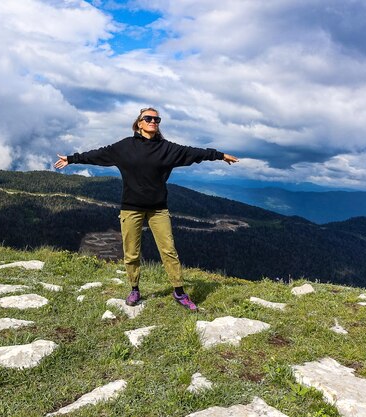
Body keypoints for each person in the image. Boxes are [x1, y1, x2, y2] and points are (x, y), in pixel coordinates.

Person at [55, 107, 238, 310]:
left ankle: (179, 292)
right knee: (131, 252)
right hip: (130, 208)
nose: (153, 121)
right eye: (148, 118)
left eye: (156, 119)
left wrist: (220, 155)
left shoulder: (167, 149)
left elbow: (194, 152)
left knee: (168, 250)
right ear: (139, 123)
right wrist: (71, 159)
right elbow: (100, 154)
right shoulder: (125, 147)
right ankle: (135, 289)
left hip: (158, 209)